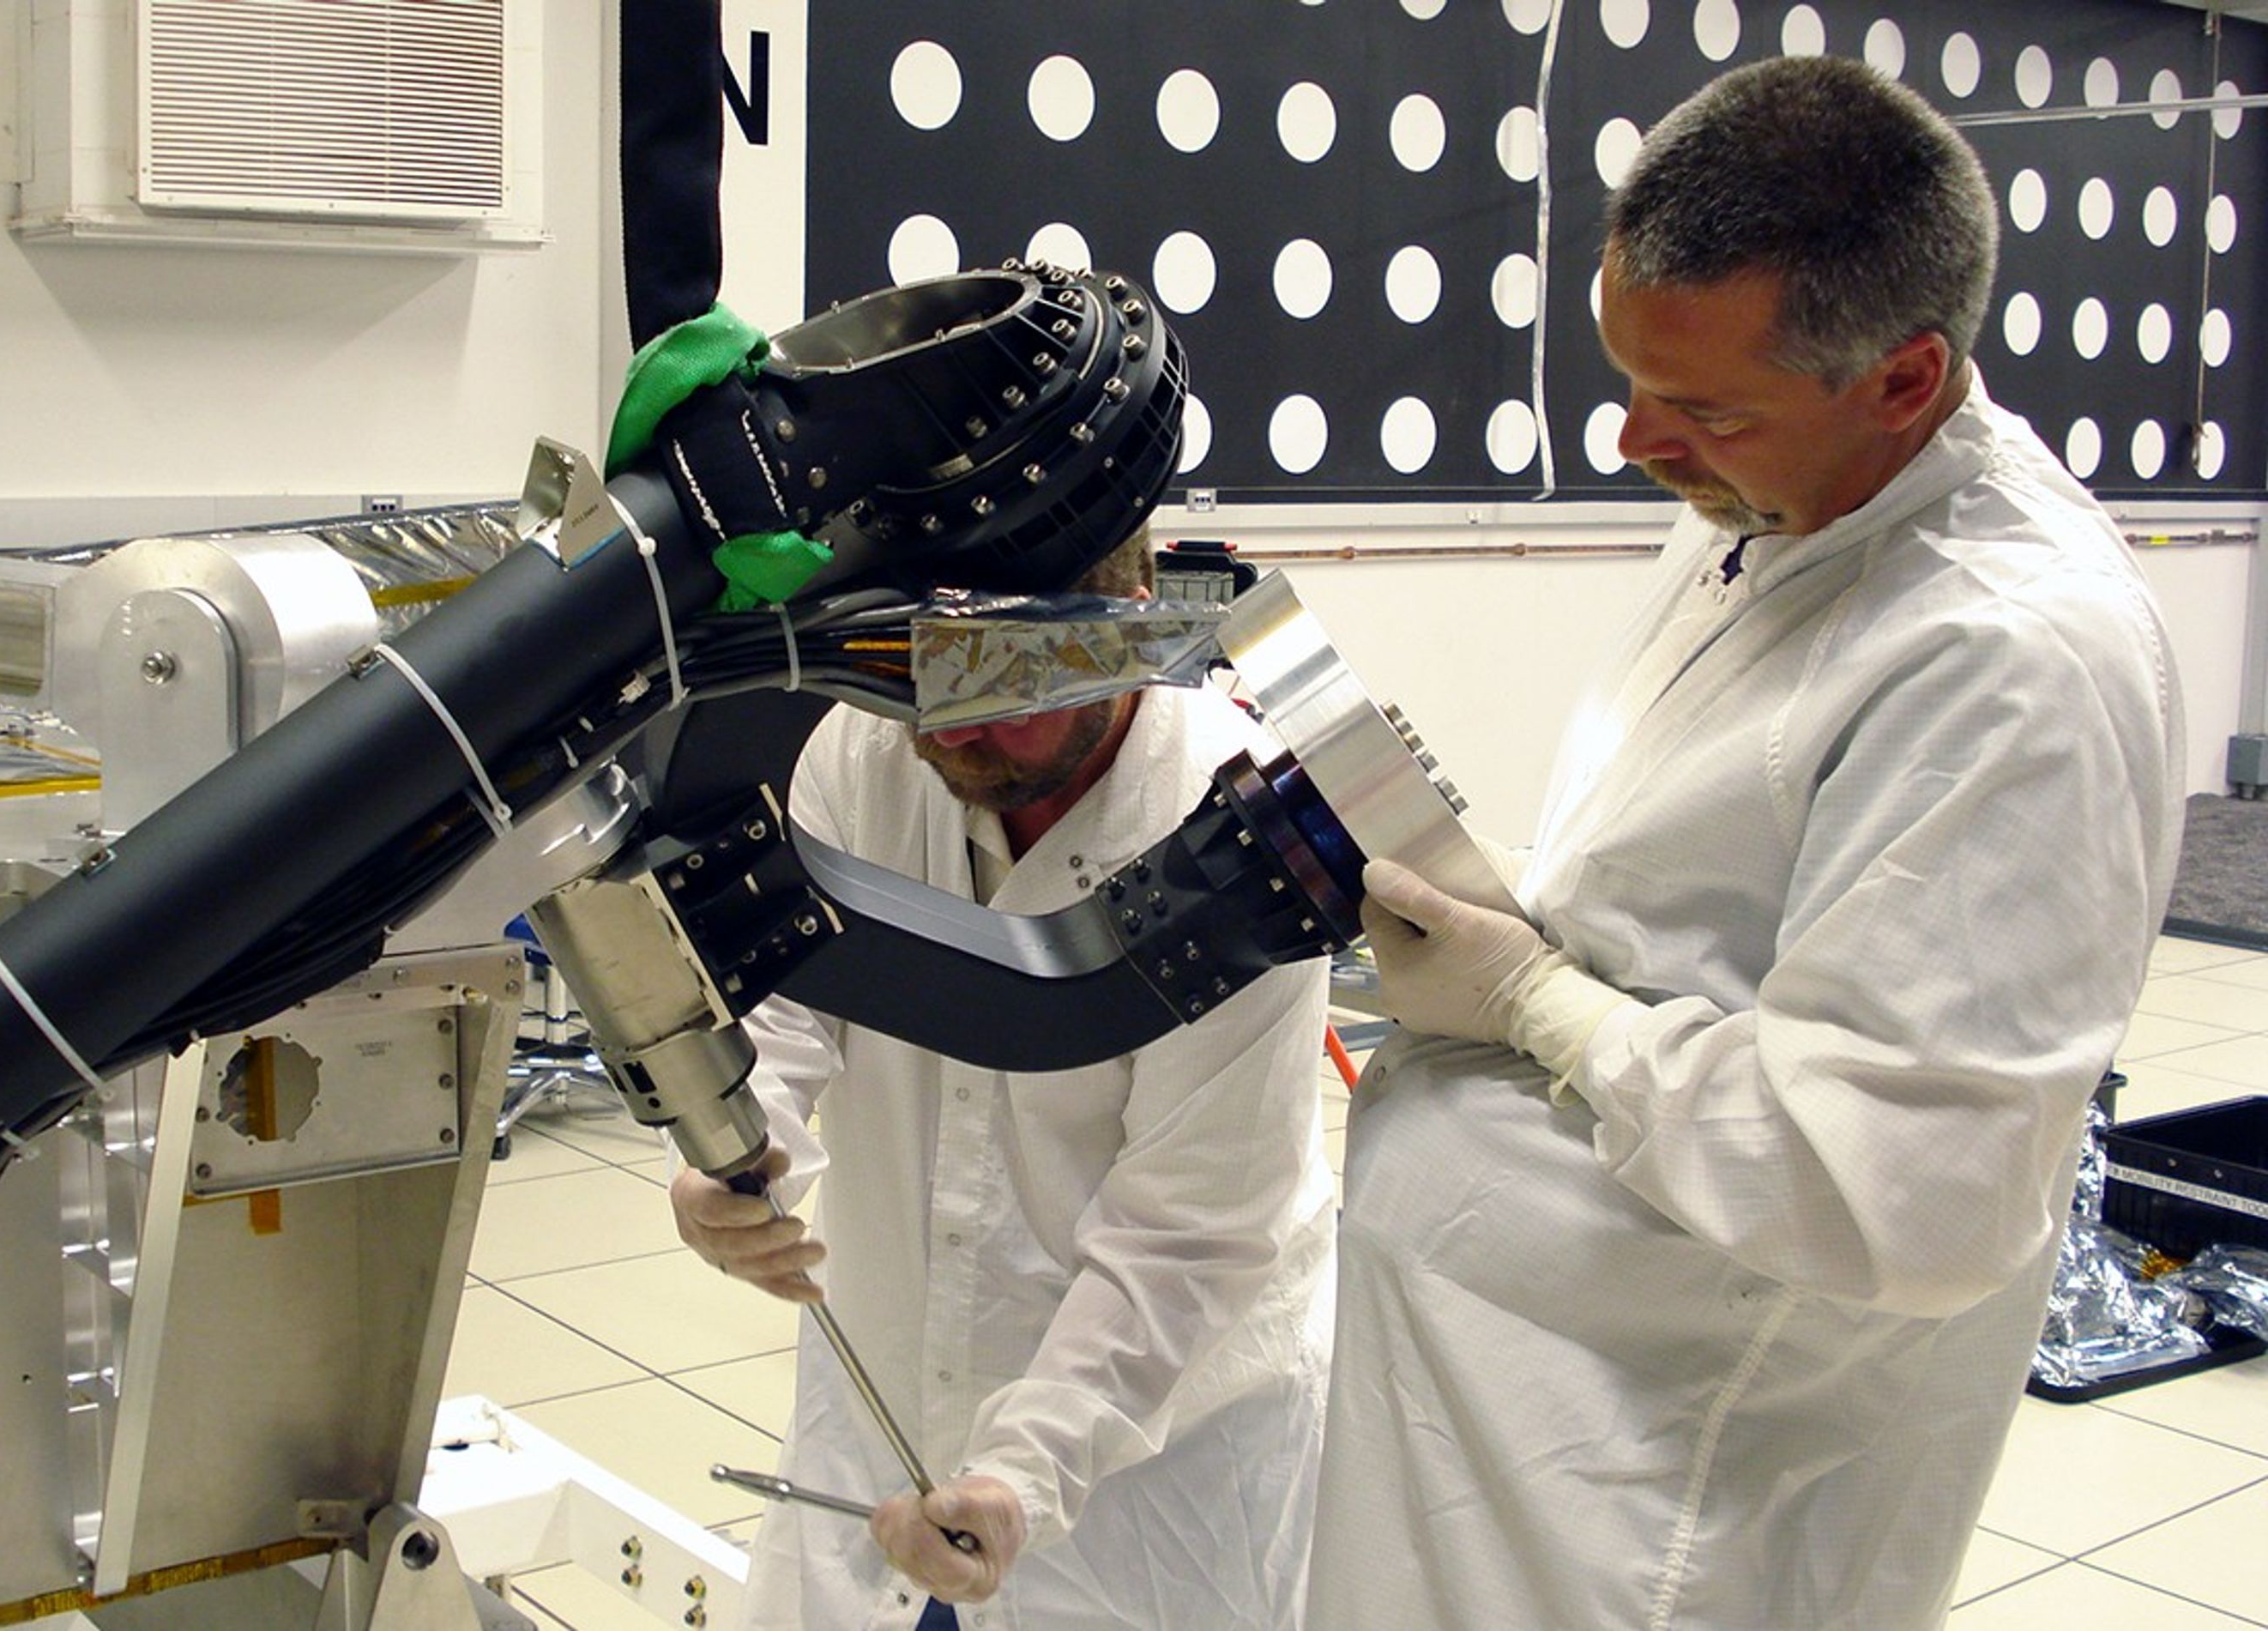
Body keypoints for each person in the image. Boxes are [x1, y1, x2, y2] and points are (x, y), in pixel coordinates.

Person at [1307, 55, 2184, 1631]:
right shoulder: (1778, 496)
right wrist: (1508, 923)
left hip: (1678, 1467)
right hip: (1526, 1379)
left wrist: (1536, 1006)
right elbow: (1714, 887)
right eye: (1626, 377)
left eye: (1702, 409)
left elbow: (1898, 1192)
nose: (1640, 443)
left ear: (1904, 380)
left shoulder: (2010, 662)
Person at [672, 529, 1336, 1630]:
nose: (964, 729)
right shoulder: (863, 749)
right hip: (889, 1379)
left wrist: (1029, 1471)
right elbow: (784, 1011)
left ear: (1125, 620)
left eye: (1011, 684)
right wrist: (726, 1153)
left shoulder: (1236, 826)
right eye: (929, 680)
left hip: (1152, 1437)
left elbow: (1191, 1228)